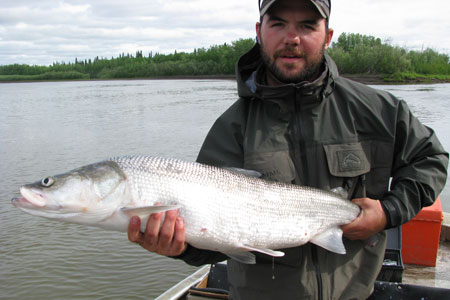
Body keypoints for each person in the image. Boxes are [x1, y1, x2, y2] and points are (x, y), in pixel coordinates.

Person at [128, 0, 449, 299]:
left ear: (328, 36)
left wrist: (388, 212)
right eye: (279, 24)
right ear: (259, 32)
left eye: (308, 26)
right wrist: (180, 246)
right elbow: (217, 244)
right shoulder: (231, 129)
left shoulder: (378, 110)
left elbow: (431, 160)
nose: (292, 38)